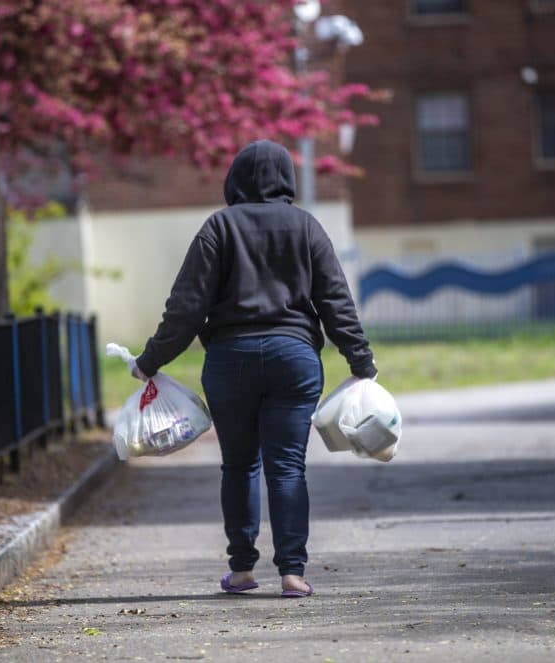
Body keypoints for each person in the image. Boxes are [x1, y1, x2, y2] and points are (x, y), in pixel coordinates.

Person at [133, 139, 377, 598]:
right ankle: (292, 573)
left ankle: (242, 569)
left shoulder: (218, 228)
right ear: (286, 179)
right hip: (294, 359)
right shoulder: (307, 227)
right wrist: (360, 360)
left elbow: (186, 308)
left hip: (231, 360)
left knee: (240, 464)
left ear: (236, 179)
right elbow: (335, 303)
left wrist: (150, 360)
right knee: (287, 467)